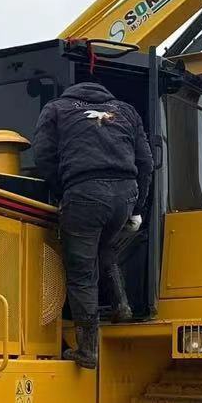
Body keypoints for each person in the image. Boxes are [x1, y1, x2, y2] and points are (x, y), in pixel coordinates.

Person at [32, 65, 154, 369]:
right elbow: (146, 162)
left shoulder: (57, 109)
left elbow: (44, 156)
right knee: (107, 249)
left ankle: (87, 351)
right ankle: (121, 306)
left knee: (81, 272)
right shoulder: (125, 111)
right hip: (125, 194)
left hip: (85, 193)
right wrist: (137, 206)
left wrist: (64, 191)